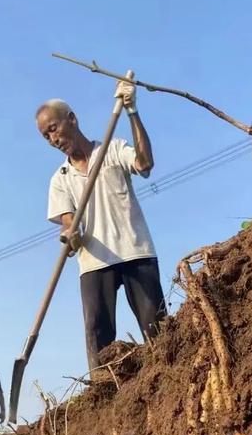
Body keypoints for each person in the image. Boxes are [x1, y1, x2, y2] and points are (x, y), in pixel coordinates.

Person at [35, 80, 166, 372]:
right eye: (46, 137)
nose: (52, 139)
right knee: (99, 341)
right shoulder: (60, 179)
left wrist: (131, 110)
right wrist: (70, 236)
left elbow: (145, 164)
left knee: (159, 331)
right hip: (94, 263)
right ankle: (104, 398)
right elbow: (71, 228)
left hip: (136, 251)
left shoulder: (112, 148)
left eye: (53, 128)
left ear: (72, 119)